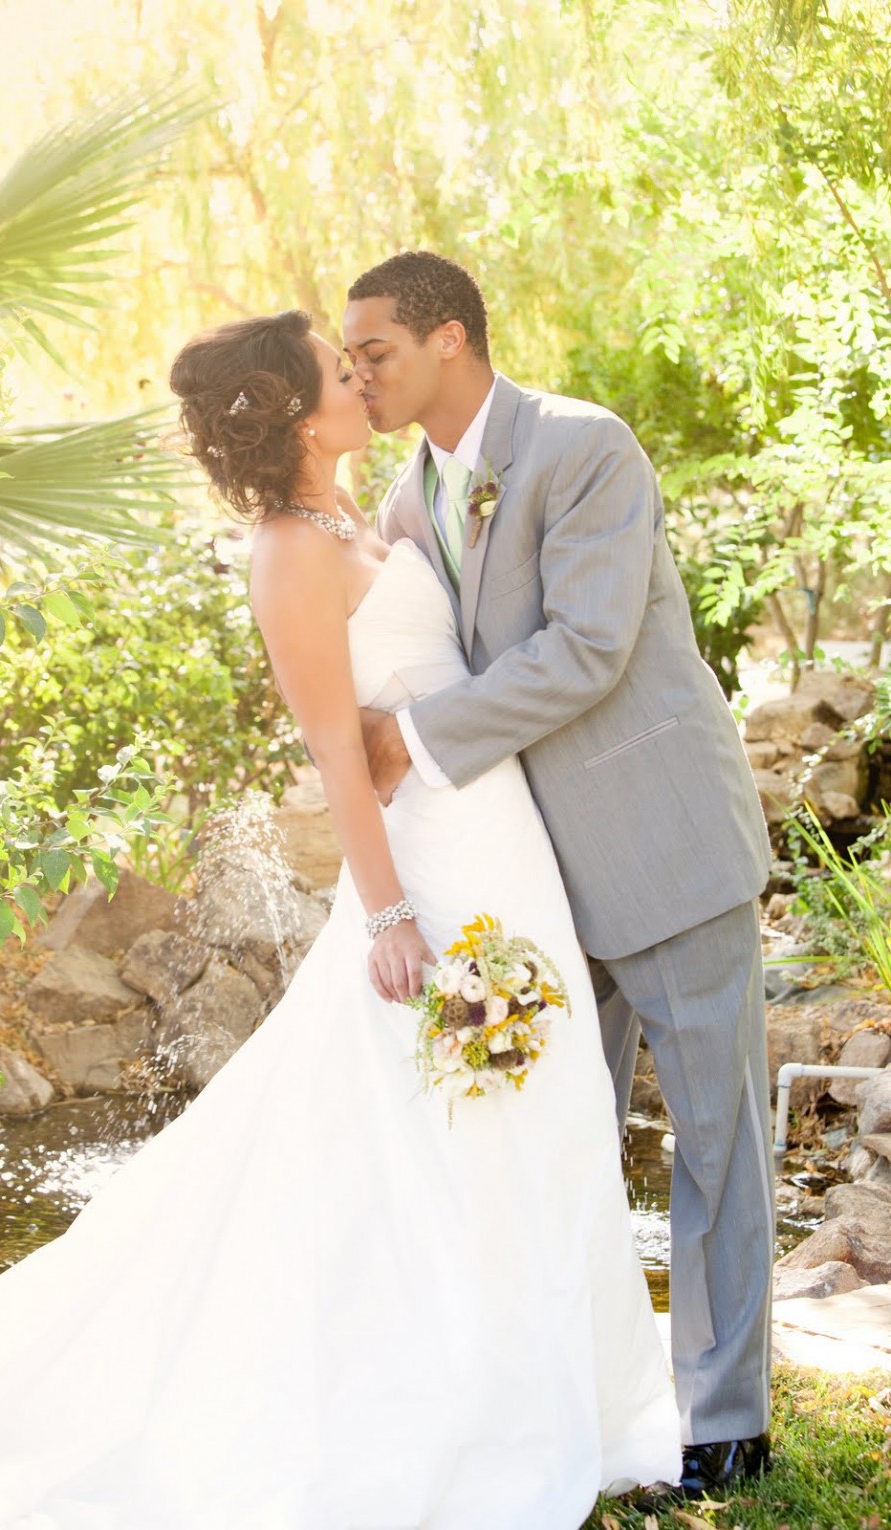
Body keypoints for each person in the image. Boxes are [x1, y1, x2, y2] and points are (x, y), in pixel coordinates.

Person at [0, 309, 680, 1529]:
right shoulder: (288, 555)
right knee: (445, 1122)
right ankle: (462, 1402)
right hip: (432, 870)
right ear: (303, 412)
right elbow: (333, 752)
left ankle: (575, 1395)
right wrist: (390, 915)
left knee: (546, 1103)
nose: (358, 375)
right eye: (335, 364)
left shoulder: (379, 508)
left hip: (504, 840)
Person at [342, 251, 776, 1505]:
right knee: (561, 1144)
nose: (360, 372)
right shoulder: (408, 495)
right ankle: (583, 1400)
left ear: (452, 341)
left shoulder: (587, 449)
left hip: (662, 846)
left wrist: (406, 745)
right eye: (352, 358)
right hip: (526, 886)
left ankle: (727, 1422)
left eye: (376, 351)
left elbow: (588, 647)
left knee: (716, 1143)